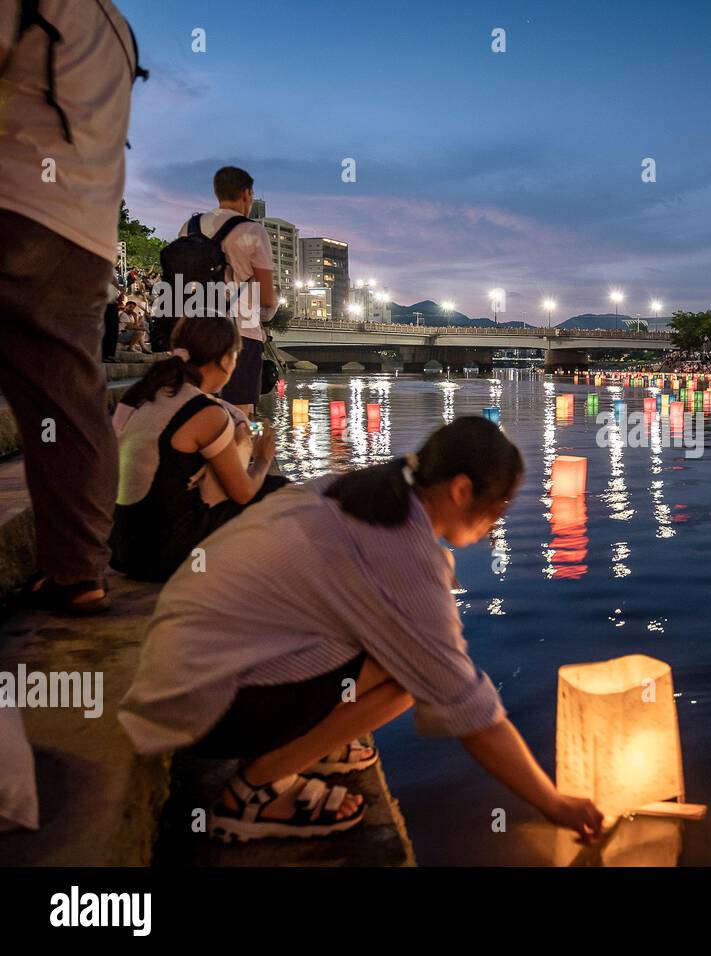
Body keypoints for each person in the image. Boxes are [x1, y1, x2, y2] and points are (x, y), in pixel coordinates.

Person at [119, 418, 605, 844]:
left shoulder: (358, 490)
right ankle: (254, 791)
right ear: (460, 490)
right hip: (202, 703)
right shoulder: (403, 550)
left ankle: (317, 742)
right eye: (499, 505)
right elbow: (469, 708)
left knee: (396, 654)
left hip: (180, 666)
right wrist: (554, 804)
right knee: (406, 680)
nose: (499, 521)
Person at [0, 0, 144, 614]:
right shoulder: (117, 28)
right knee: (69, 398)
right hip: (85, 232)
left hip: (13, 199)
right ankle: (79, 571)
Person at [109, 315, 284, 581]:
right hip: (165, 552)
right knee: (279, 491)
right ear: (226, 360)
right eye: (235, 357)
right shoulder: (206, 412)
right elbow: (243, 493)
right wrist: (262, 457)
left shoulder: (141, 393)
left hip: (122, 546)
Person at [174, 166, 277, 417]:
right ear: (247, 194)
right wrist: (268, 313)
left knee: (198, 407)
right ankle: (247, 451)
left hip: (195, 330)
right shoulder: (253, 231)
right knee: (243, 412)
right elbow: (266, 297)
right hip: (242, 331)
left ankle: (206, 451)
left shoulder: (190, 226)